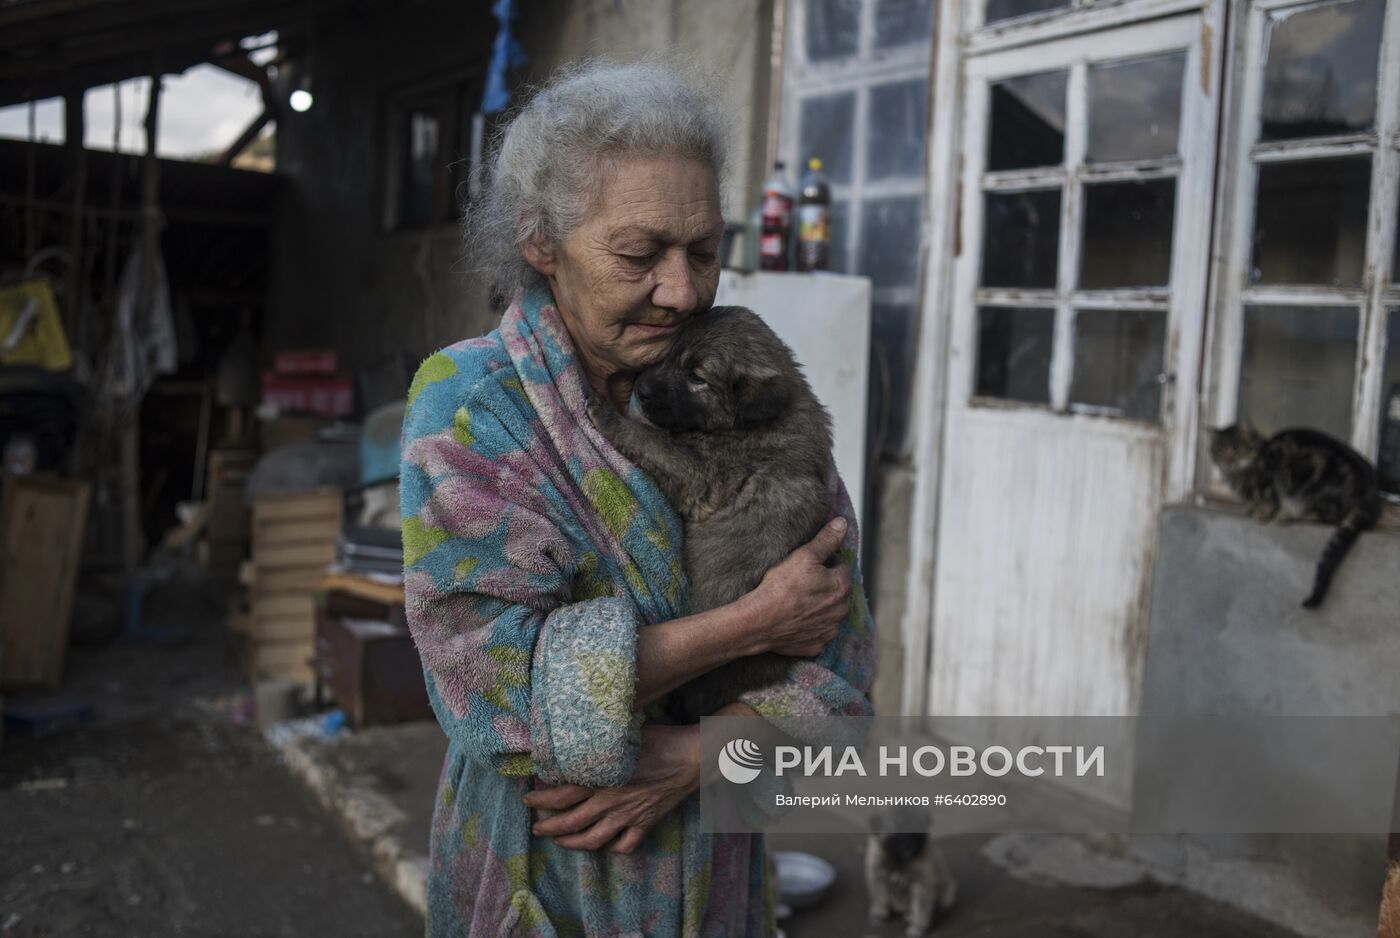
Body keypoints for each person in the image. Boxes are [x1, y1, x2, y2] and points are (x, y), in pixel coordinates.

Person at [399, 60, 876, 937]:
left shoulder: (736, 385)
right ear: (541, 243)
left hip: (716, 861)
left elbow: (843, 681)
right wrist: (750, 626)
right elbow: (491, 689)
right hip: (548, 877)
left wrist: (698, 756)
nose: (684, 291)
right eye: (638, 254)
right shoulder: (472, 408)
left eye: (704, 250)